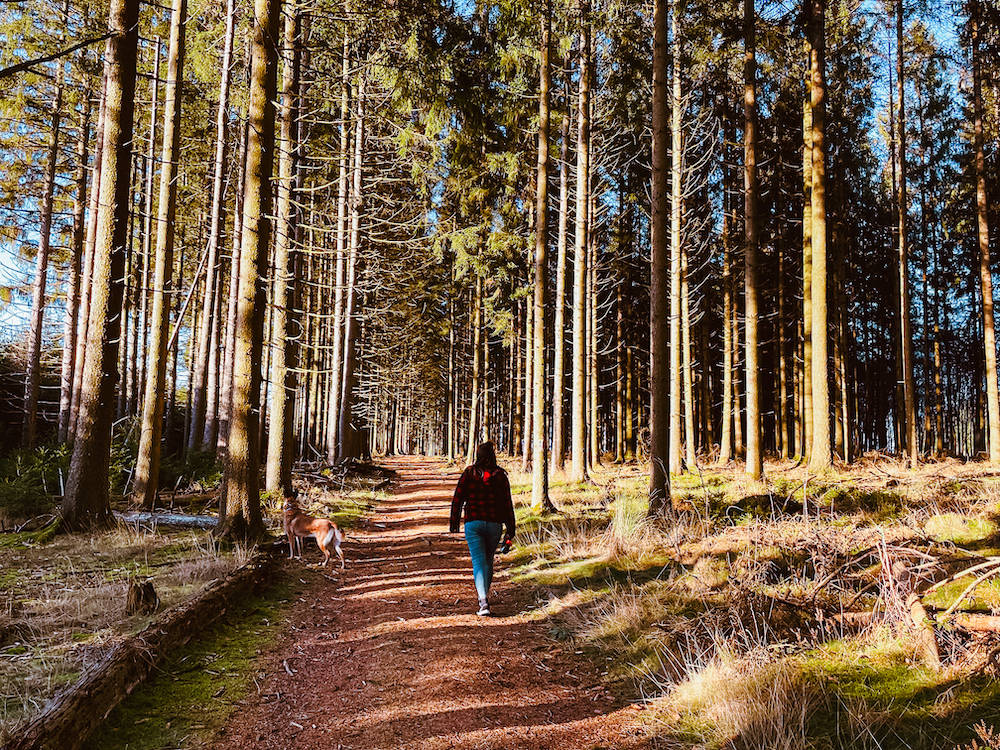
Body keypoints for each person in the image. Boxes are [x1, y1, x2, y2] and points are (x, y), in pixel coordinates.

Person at [449, 442, 515, 616]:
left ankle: (483, 601)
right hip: (494, 524)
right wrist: (510, 528)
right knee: (487, 561)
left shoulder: (469, 473)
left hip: (473, 523)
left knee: (478, 561)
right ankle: (484, 598)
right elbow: (507, 504)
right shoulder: (500, 476)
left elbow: (458, 497)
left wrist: (454, 522)